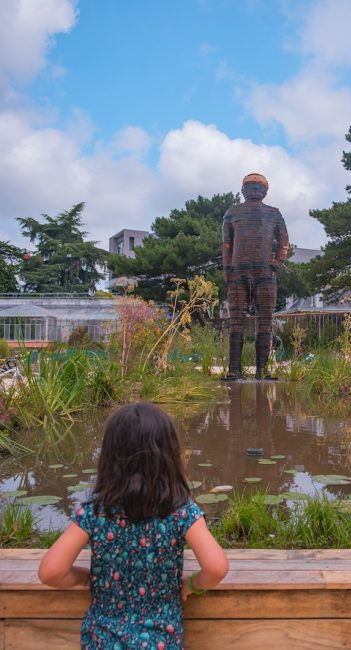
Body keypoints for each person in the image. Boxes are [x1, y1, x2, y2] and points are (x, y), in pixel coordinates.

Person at [38, 402, 229, 649]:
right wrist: (190, 585)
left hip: (102, 640)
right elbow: (216, 568)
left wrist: (86, 577)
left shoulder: (96, 510)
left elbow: (50, 572)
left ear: (109, 455)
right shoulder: (181, 510)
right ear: (169, 455)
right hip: (162, 640)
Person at [222, 172, 289, 379]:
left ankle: (263, 369)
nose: (254, 190)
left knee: (265, 321)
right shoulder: (232, 213)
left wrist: (275, 263)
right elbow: (226, 245)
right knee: (238, 322)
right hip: (241, 273)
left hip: (261, 274)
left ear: (265, 191)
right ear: (243, 190)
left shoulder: (273, 213)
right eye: (251, 186)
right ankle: (235, 370)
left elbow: (284, 243)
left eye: (258, 187)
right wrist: (228, 271)